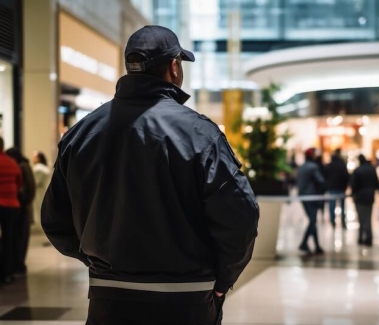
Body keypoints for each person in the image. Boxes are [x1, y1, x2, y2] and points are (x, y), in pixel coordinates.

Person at [41, 25, 259, 325]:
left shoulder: (82, 134)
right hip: (187, 298)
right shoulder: (199, 133)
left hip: (109, 298)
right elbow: (240, 217)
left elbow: (55, 220)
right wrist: (222, 279)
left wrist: (101, 262)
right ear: (173, 66)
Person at [5, 148, 36, 275]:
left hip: (22, 208)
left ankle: (18, 264)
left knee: (20, 237)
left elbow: (28, 188)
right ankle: (18, 264)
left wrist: (23, 202)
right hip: (22, 207)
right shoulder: (24, 165)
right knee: (20, 237)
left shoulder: (21, 166)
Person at [0, 137, 22, 284]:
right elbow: (20, 183)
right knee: (9, 238)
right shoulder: (12, 162)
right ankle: (8, 271)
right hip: (12, 205)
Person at [297, 148, 325, 255]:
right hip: (312, 197)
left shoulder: (302, 167)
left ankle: (317, 246)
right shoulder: (313, 167)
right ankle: (304, 243)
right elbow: (320, 180)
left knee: (312, 221)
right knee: (313, 221)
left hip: (303, 196)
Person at [351, 155, 379, 246]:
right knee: (368, 217)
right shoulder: (371, 169)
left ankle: (361, 237)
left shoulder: (358, 171)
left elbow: (354, 186)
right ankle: (368, 237)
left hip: (360, 197)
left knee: (361, 218)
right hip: (370, 196)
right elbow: (376, 183)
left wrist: (353, 195)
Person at [325, 148, 349, 230]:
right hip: (341, 188)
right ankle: (343, 221)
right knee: (342, 206)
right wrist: (345, 186)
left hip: (332, 188)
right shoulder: (342, 165)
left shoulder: (329, 165)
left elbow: (325, 177)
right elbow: (346, 176)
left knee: (332, 205)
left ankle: (333, 221)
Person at [32, 151, 50, 226]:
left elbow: (36, 181)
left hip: (38, 191)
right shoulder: (45, 168)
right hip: (43, 190)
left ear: (39, 158)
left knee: (38, 208)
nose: (32, 158)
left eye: (34, 157)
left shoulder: (38, 168)